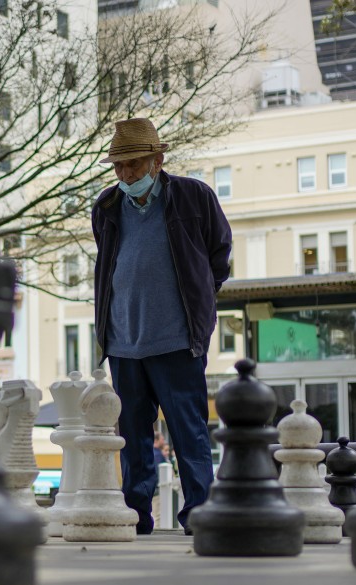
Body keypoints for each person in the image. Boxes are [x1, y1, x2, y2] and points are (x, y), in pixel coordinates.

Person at [91, 118, 232, 536]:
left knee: (189, 433)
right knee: (133, 440)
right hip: (123, 342)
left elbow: (218, 254)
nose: (125, 175)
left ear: (157, 159)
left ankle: (200, 517)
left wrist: (202, 300)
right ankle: (136, 518)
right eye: (119, 167)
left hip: (176, 341)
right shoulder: (106, 206)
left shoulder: (194, 197)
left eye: (133, 164)